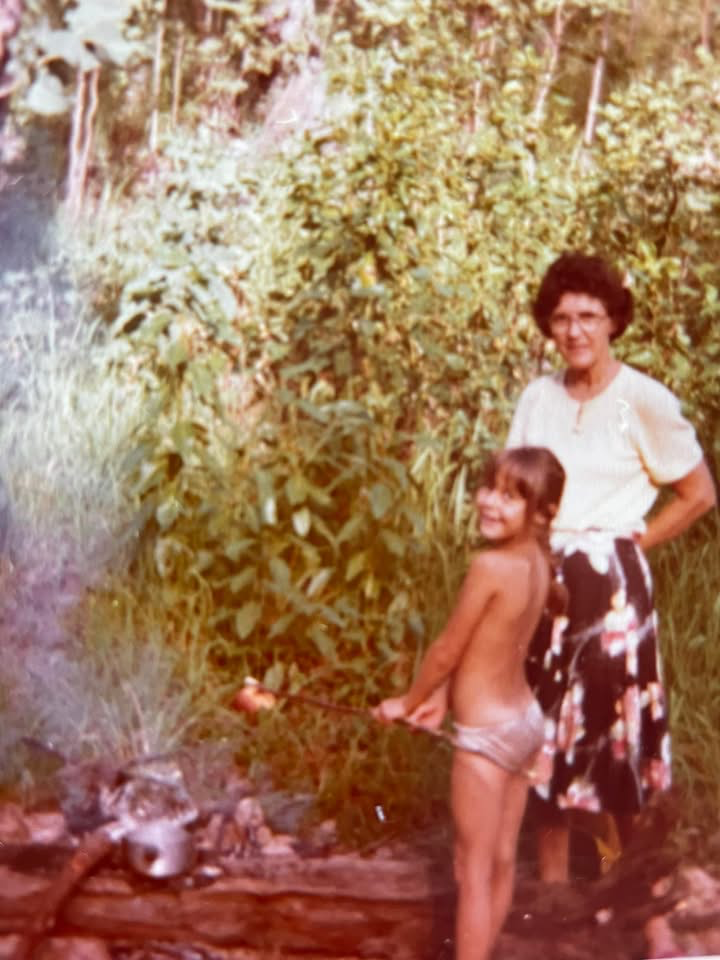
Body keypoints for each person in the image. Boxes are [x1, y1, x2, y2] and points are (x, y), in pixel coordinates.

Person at [506, 251, 717, 884]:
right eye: (562, 317)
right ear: (548, 324)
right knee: (543, 725)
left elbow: (699, 494)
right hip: (541, 577)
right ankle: (551, 888)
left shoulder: (641, 398)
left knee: (606, 729)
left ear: (613, 323)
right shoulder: (538, 399)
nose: (575, 331)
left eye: (589, 317)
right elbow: (517, 489)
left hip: (612, 594)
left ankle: (623, 877)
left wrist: (626, 549)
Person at [373, 446, 566, 960]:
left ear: (541, 512)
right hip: (525, 724)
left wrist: (407, 700)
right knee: (501, 860)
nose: (488, 502)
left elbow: (445, 651)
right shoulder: (537, 560)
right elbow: (490, 648)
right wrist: (439, 701)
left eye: (509, 496)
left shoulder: (489, 565)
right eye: (488, 488)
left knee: (471, 870)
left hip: (486, 739)